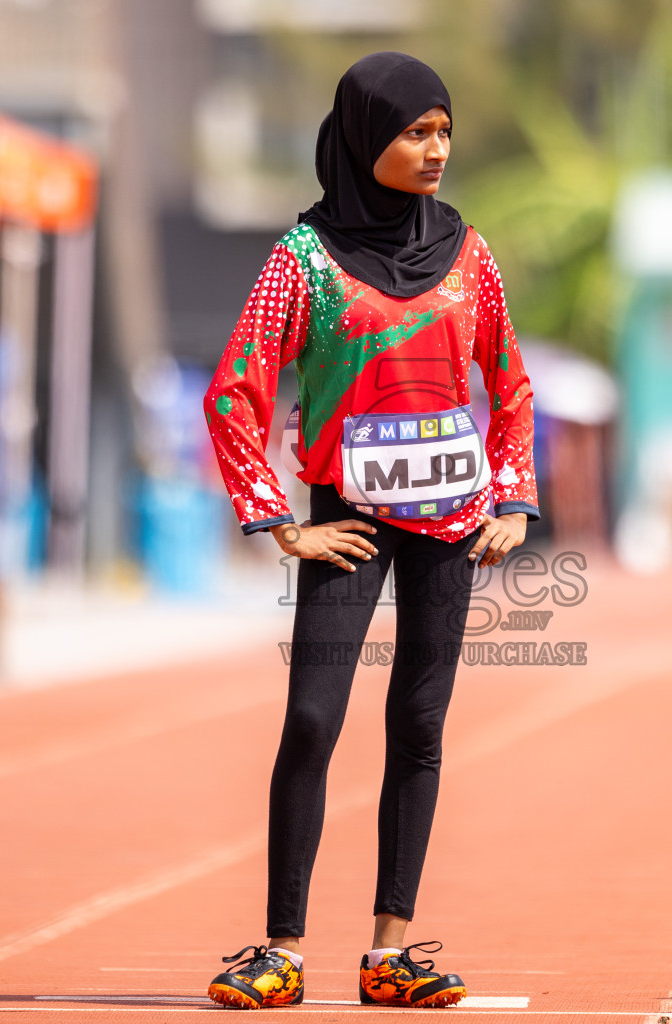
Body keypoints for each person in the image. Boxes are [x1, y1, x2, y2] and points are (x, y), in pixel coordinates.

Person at [202, 52, 538, 1010]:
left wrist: (511, 498)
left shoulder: (469, 254)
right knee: (312, 721)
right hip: (345, 519)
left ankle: (391, 952)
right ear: (362, 138)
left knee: (419, 725)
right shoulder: (301, 259)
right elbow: (234, 389)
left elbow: (509, 382)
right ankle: (282, 950)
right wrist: (276, 522)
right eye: (414, 132)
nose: (436, 150)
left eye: (443, 131)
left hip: (451, 525)